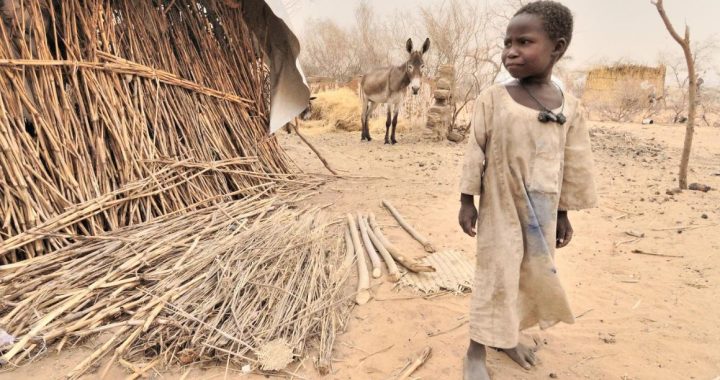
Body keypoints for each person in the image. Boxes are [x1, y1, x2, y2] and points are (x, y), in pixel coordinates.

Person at [457, 2, 597, 379]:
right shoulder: (493, 99)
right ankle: (475, 350)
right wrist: (467, 200)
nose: (511, 51)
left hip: (543, 211)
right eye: (507, 42)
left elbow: (574, 162)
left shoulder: (571, 108)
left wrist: (564, 212)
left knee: (527, 275)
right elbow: (475, 150)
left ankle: (508, 336)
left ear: (557, 47)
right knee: (495, 274)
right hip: (500, 207)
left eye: (524, 41)